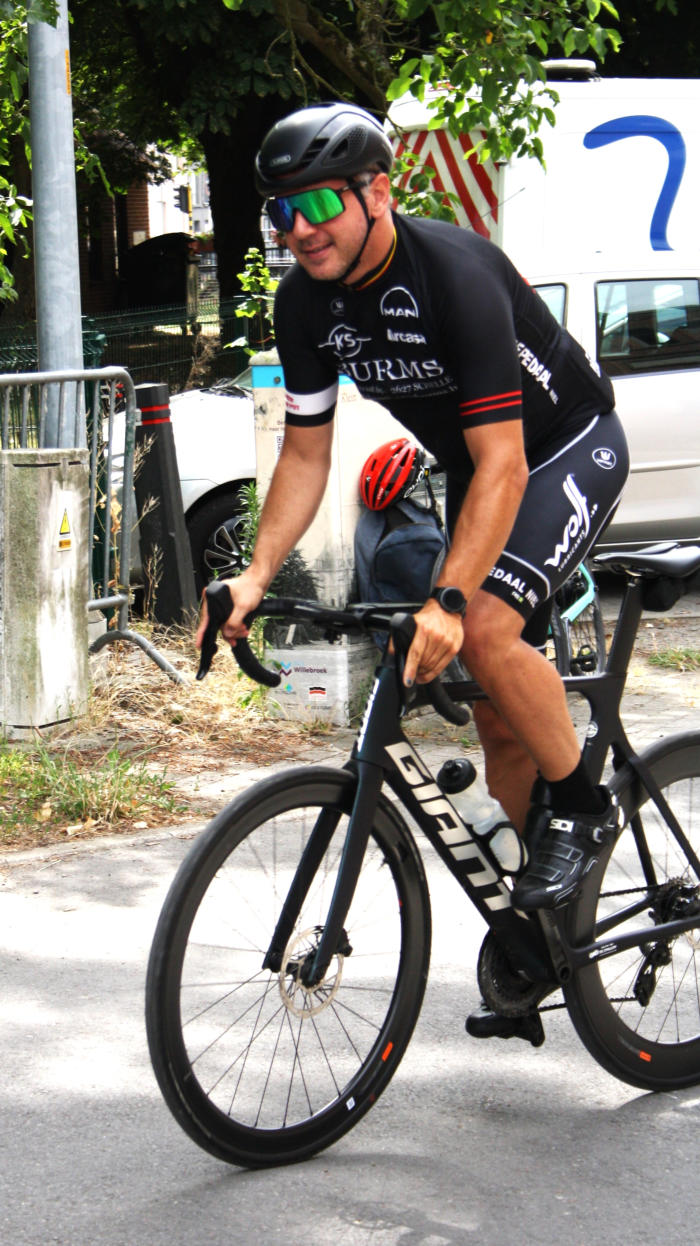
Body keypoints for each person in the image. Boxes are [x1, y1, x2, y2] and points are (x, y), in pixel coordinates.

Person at [196, 101, 630, 1036]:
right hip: (480, 467)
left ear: (377, 192)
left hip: (563, 448)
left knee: (481, 629)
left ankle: (586, 807)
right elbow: (305, 453)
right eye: (281, 211)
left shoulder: (454, 274)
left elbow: (507, 464)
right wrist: (256, 577)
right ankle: (540, 926)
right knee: (494, 715)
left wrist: (448, 599)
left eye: (319, 203)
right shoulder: (305, 304)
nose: (300, 228)